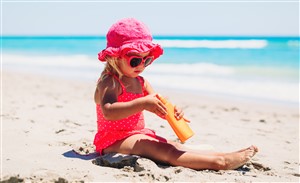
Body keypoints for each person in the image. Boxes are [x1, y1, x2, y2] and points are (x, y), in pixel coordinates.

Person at [93, 18, 258, 170]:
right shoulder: (110, 81)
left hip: (136, 134)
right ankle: (220, 163)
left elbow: (159, 106)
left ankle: (224, 155)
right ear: (115, 57)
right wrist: (143, 103)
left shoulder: (141, 81)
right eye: (135, 60)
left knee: (174, 146)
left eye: (147, 60)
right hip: (112, 140)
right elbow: (109, 111)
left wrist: (172, 111)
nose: (141, 65)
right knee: (164, 151)